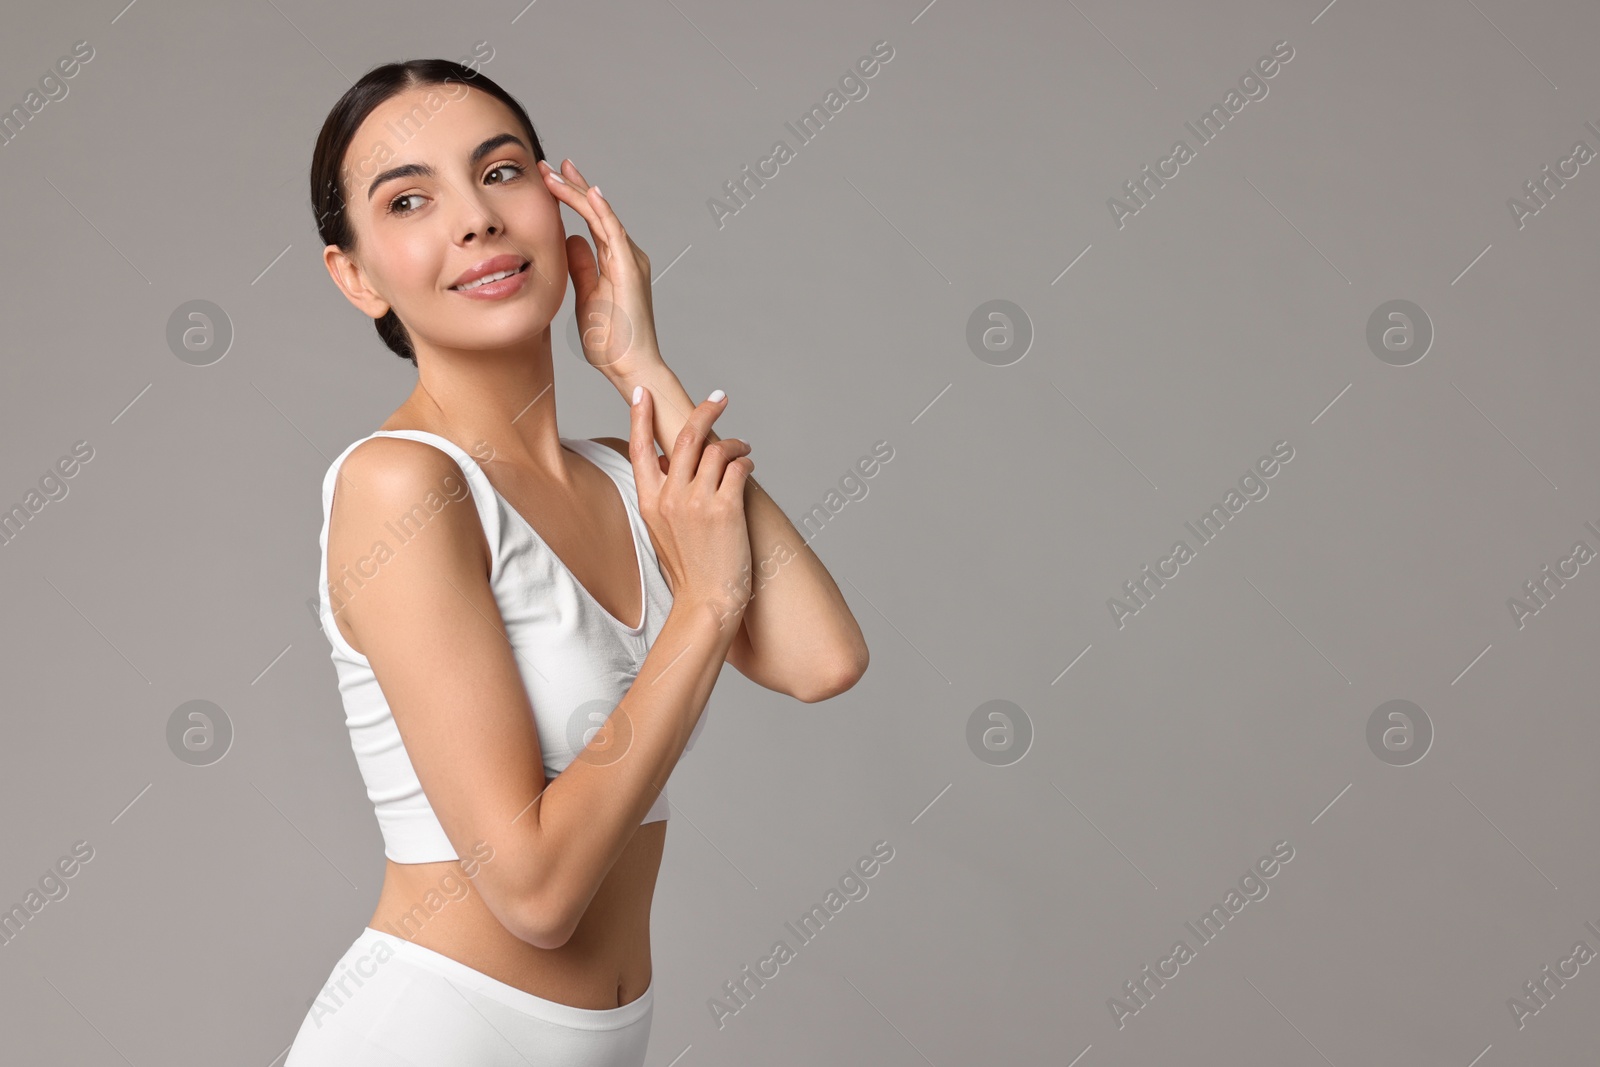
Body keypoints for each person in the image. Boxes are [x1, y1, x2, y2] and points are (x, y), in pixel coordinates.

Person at [285, 59, 869, 1065]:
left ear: (561, 209)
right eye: (410, 198)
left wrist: (642, 369)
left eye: (501, 171)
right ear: (356, 273)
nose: (474, 218)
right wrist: (707, 602)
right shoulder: (401, 487)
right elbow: (537, 891)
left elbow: (823, 658)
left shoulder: (620, 474)